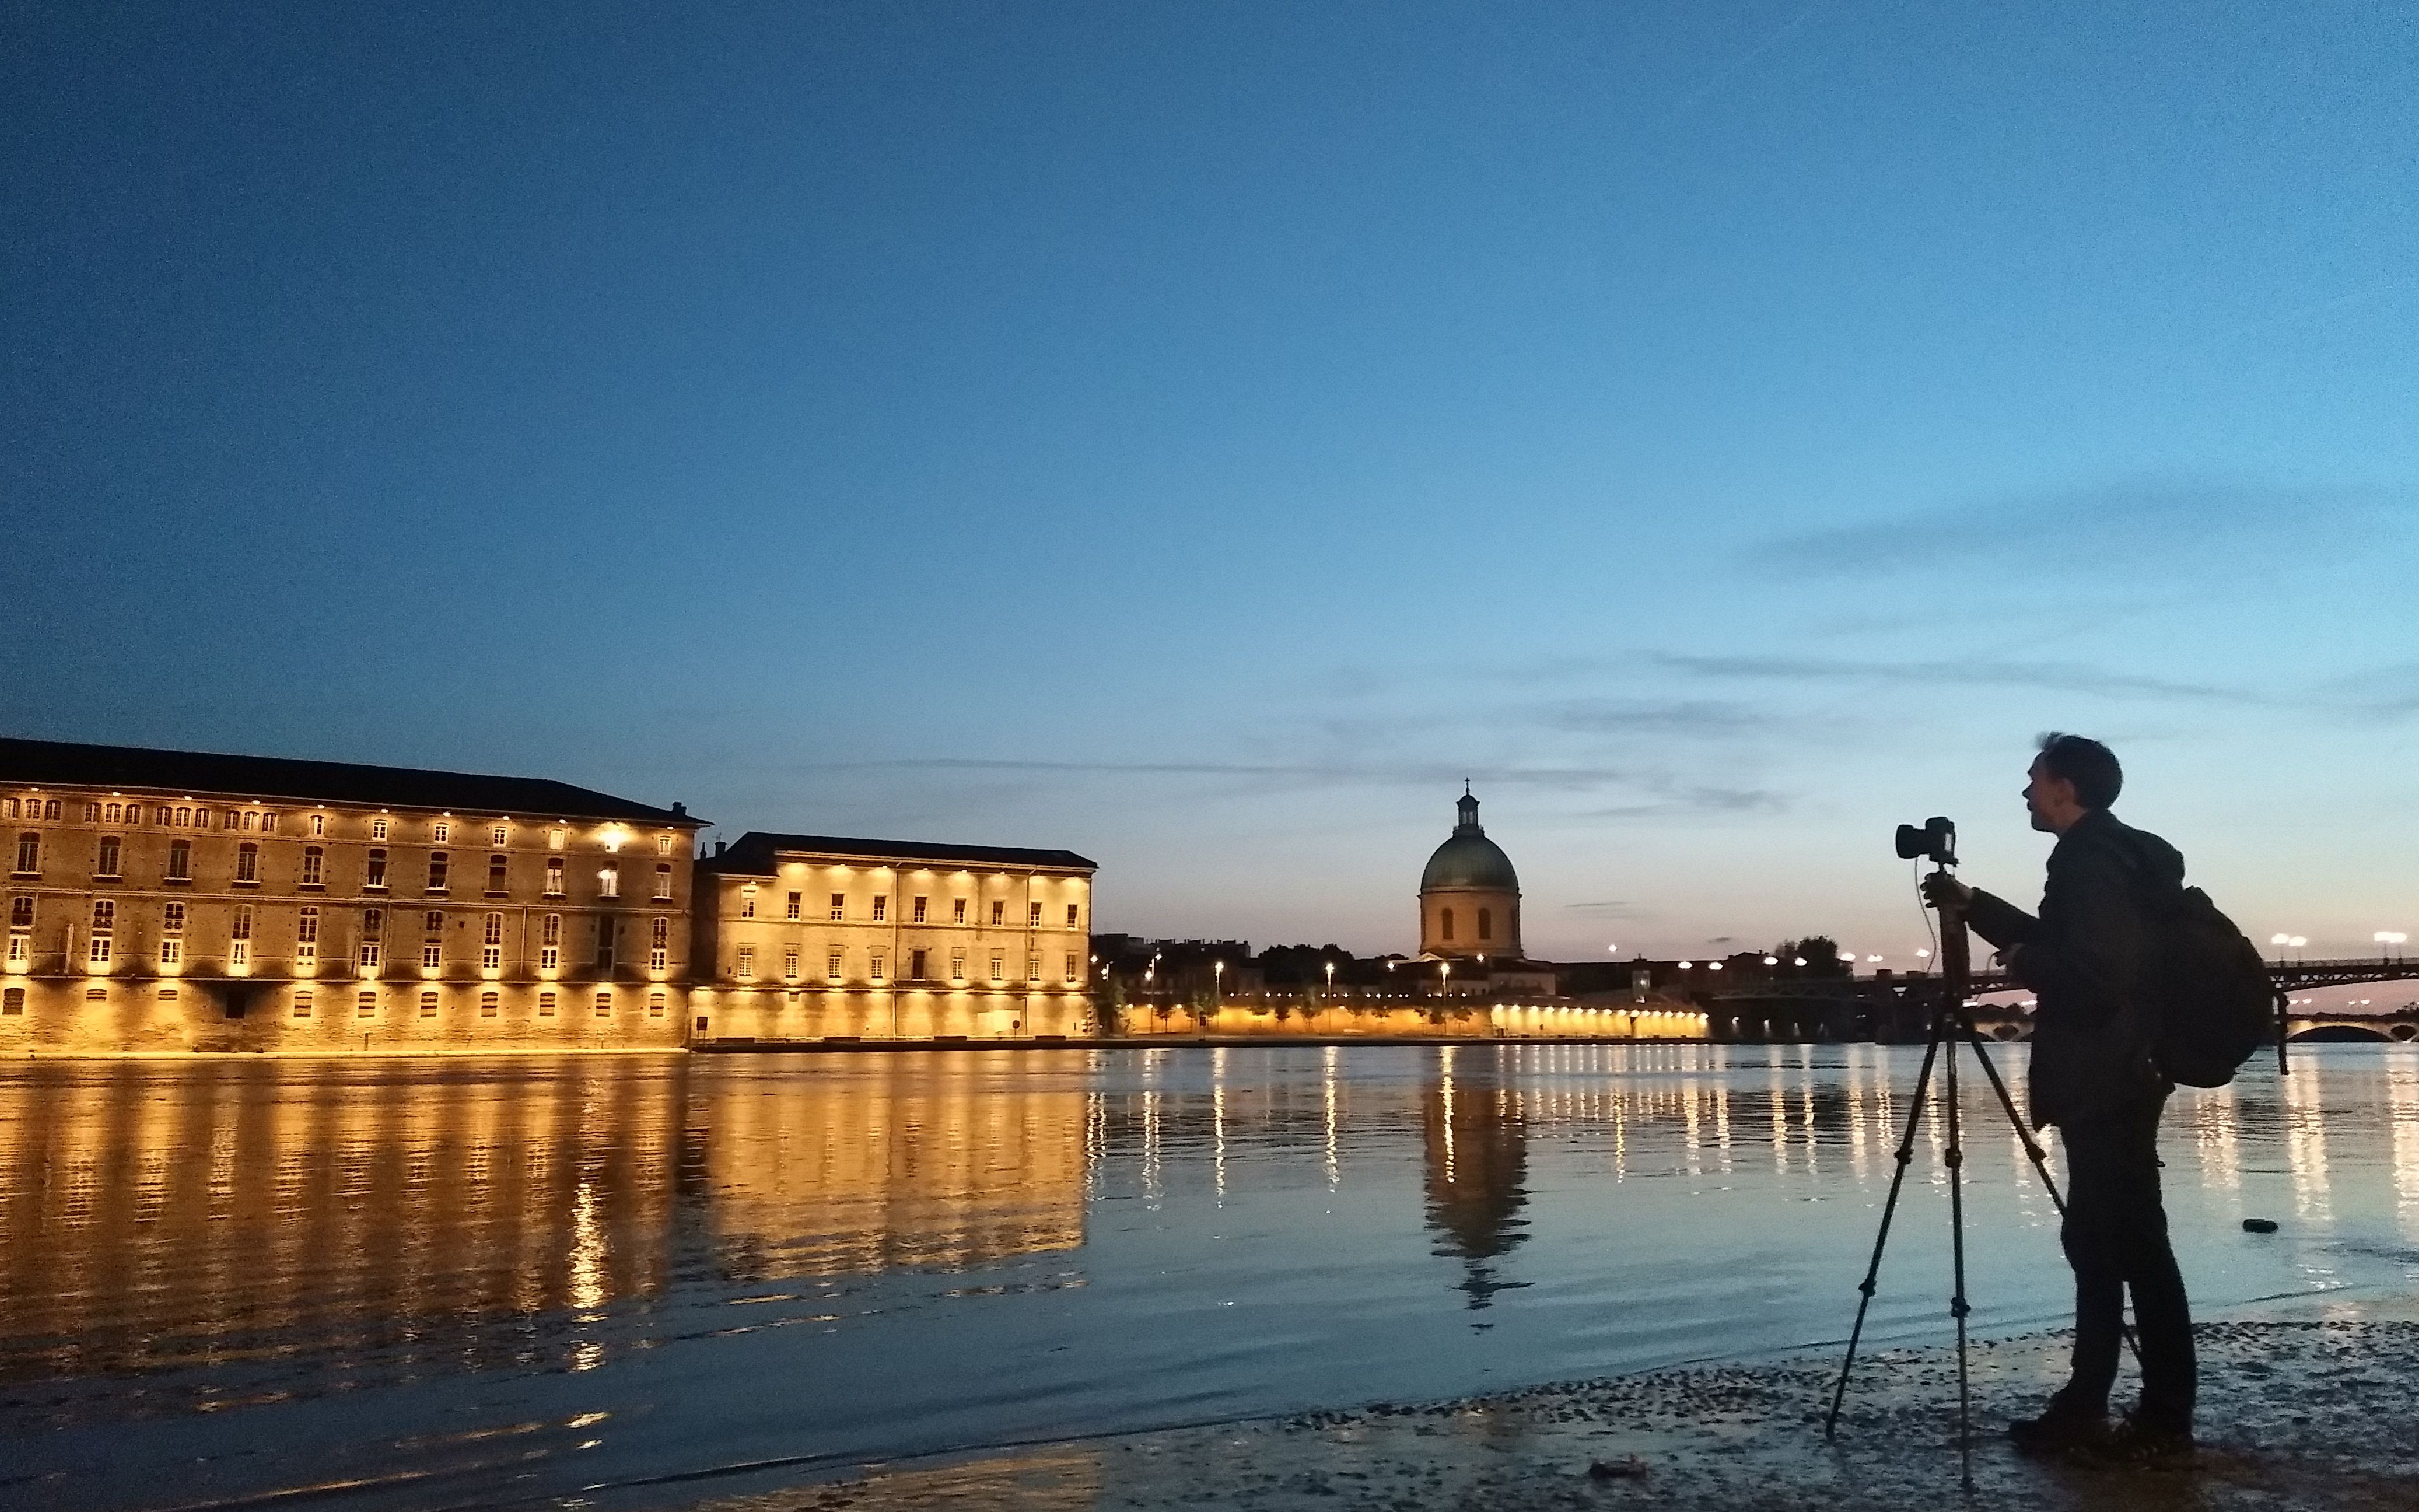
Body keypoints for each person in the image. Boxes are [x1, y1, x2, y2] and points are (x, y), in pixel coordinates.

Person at [1921, 733, 2196, 1460]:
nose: (2024, 792)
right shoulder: (2116, 856)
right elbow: (2079, 944)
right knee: (2102, 1241)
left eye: (2032, 779)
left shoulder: (2089, 861)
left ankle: (2158, 1411)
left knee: (2128, 1242)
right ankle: (2092, 1399)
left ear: (2064, 787)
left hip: (2104, 1074)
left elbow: (2097, 973)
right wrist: (1974, 905)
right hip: (2120, 1070)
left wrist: (2024, 960)